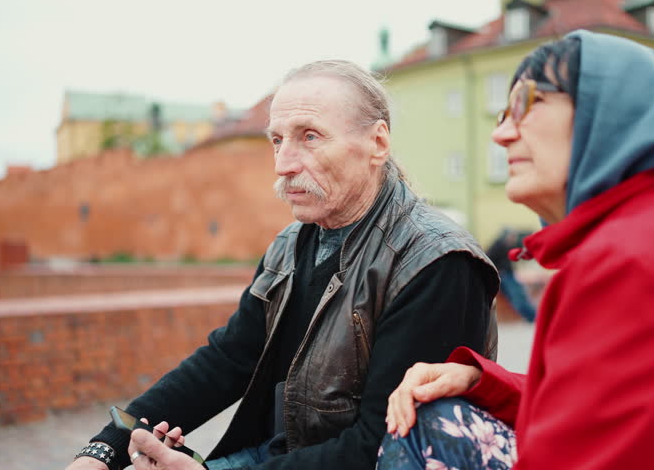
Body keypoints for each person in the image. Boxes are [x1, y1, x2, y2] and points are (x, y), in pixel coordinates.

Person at [66, 60, 501, 470]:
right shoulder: (292, 243)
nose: (283, 164)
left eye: (309, 136)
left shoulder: (436, 262)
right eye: (277, 140)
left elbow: (383, 445)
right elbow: (229, 359)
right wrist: (103, 450)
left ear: (378, 143)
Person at [379, 31, 654, 469]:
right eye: (502, 114)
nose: (502, 135)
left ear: (608, 114)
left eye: (526, 104)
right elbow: (621, 404)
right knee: (438, 415)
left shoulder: (633, 258)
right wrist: (482, 381)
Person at [485, 228, 536, 322]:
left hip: (506, 274)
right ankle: (534, 318)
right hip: (505, 275)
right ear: (506, 236)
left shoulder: (505, 245)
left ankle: (533, 317)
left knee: (520, 297)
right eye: (513, 236)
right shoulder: (499, 245)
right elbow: (488, 259)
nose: (514, 239)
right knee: (519, 298)